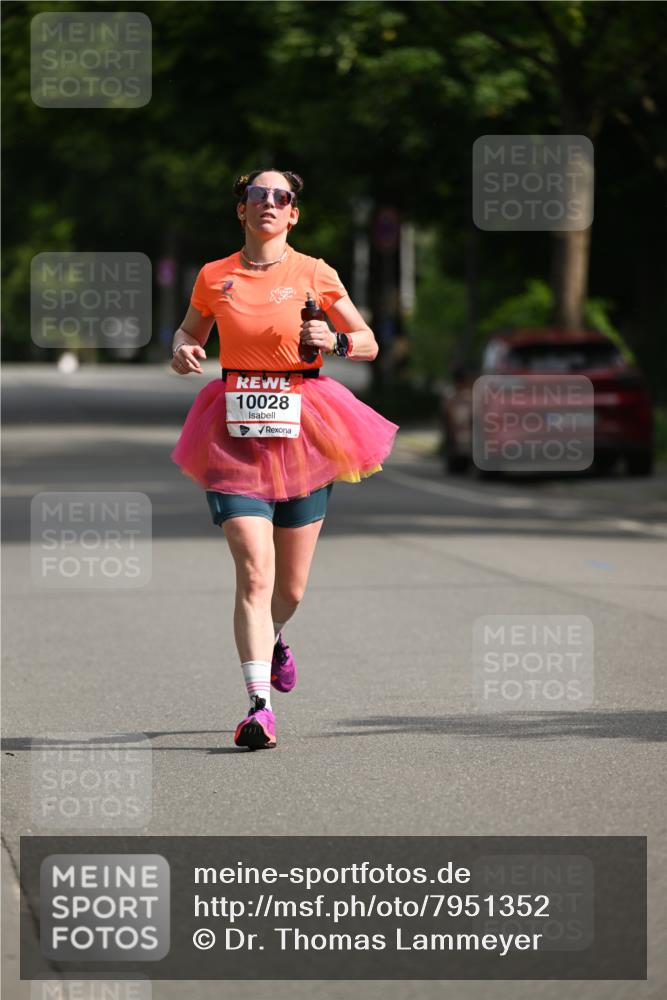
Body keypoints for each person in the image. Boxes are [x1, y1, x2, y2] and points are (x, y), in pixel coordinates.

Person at [170, 169, 399, 750]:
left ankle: (275, 638)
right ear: (241, 210)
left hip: (306, 427)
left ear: (293, 213)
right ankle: (258, 707)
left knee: (289, 590)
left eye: (281, 197)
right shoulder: (214, 276)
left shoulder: (314, 272)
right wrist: (185, 348)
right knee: (254, 570)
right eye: (257, 195)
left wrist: (337, 342)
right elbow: (188, 332)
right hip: (233, 432)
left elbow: (368, 340)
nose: (268, 204)